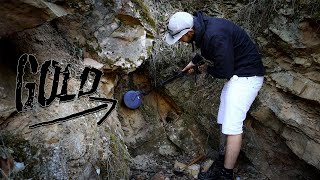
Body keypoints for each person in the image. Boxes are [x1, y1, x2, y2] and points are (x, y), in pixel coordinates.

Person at [165, 11, 264, 180]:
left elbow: (225, 70)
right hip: (237, 77)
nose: (180, 42)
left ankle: (226, 174)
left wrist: (201, 69)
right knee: (224, 120)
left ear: (189, 32)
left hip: (247, 77)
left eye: (180, 38)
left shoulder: (215, 34)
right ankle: (222, 163)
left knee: (232, 126)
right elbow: (207, 48)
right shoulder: (203, 27)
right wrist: (193, 63)